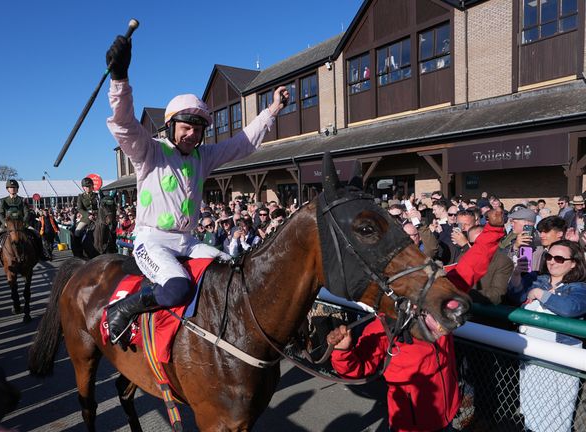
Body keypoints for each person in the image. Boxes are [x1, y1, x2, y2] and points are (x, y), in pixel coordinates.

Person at [103, 34, 289, 345]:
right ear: (171, 126)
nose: (191, 135)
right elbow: (124, 124)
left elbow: (242, 143)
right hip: (152, 241)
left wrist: (271, 110)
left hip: (188, 242)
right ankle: (124, 309)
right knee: (177, 288)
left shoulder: (204, 157)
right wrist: (119, 78)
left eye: (197, 130)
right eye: (186, 127)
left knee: (234, 271)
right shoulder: (150, 150)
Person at [327, 209, 506, 432]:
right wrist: (343, 351)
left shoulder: (440, 295)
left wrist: (494, 229)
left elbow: (472, 263)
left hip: (447, 412)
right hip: (410, 425)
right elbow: (359, 368)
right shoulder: (385, 326)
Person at [507, 239, 586, 432]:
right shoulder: (538, 278)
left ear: (573, 262)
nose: (551, 261)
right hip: (530, 355)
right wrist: (517, 275)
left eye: (559, 258)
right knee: (531, 405)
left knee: (556, 411)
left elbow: (570, 309)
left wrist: (540, 294)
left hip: (560, 358)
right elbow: (514, 297)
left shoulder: (579, 287)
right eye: (549, 256)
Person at [0, 180, 29, 267]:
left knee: (37, 235)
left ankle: (42, 254)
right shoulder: (3, 201)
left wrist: (24, 222)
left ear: (17, 189)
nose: (13, 189)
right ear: (8, 189)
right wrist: (5, 223)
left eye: (14, 188)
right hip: (7, 225)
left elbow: (26, 213)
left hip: (21, 225)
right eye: (11, 188)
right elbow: (1, 214)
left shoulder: (22, 200)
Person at [71, 177, 100, 257]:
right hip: (86, 218)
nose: (88, 188)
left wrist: (95, 213)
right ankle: (78, 251)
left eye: (89, 186)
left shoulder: (97, 196)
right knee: (77, 231)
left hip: (97, 217)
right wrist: (88, 215)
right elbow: (80, 208)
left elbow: (100, 207)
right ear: (83, 187)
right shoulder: (81, 196)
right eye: (86, 186)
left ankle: (112, 247)